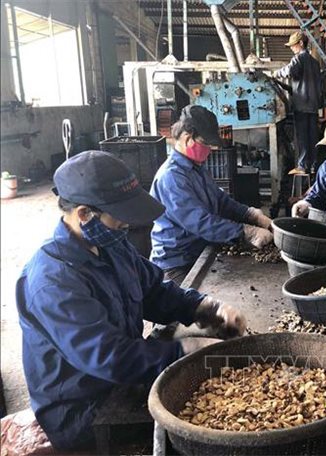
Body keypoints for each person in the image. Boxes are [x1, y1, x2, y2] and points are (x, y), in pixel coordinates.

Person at [14, 150, 246, 452]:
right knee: (212, 424)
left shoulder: (110, 243)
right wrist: (188, 349)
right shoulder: (52, 281)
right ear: (84, 214)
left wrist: (204, 307)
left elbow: (154, 290)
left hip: (126, 377)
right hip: (85, 409)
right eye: (120, 217)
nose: (127, 225)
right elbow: (110, 356)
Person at [150, 105, 273, 285]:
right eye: (205, 144)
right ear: (187, 138)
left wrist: (251, 214)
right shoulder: (171, 177)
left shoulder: (196, 168)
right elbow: (201, 222)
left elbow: (221, 201)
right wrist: (247, 233)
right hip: (177, 264)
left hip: (199, 251)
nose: (209, 149)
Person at [273, 31, 322, 175]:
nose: (291, 48)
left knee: (302, 138)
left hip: (301, 106)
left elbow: (289, 71)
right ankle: (313, 166)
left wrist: (276, 74)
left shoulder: (299, 58)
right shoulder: (315, 63)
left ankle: (302, 166)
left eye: (293, 45)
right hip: (313, 106)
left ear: (301, 43)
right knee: (312, 137)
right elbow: (304, 84)